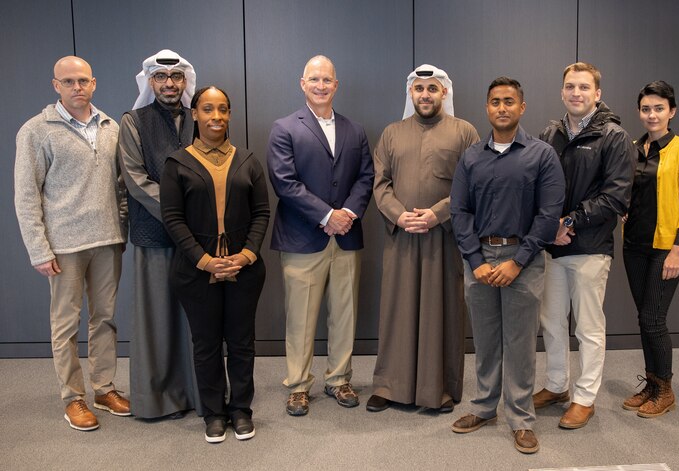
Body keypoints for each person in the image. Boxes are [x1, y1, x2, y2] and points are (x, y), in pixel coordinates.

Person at [14, 56, 130, 431]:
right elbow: (26, 195)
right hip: (64, 246)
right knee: (65, 325)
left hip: (108, 239)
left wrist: (123, 228)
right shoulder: (36, 130)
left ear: (94, 83)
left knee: (106, 320)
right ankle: (73, 398)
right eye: (68, 81)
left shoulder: (111, 127)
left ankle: (104, 389)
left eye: (83, 80)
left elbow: (121, 186)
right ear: (55, 85)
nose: (77, 87)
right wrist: (38, 248)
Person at [450, 77, 565, 454]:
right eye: (496, 101)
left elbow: (548, 216)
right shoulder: (471, 157)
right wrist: (475, 260)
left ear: (522, 107)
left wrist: (517, 262)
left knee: (519, 343)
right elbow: (459, 211)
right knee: (484, 341)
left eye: (509, 101)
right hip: (480, 261)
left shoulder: (541, 155)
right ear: (487, 108)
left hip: (524, 260)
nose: (502, 107)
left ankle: (520, 419)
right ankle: (484, 408)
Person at [368, 64, 479, 413]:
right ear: (410, 93)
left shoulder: (465, 132)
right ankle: (389, 385)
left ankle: (439, 389)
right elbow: (380, 183)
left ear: (444, 92)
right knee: (396, 311)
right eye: (419, 89)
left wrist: (438, 213)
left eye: (432, 89)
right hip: (402, 236)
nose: (425, 95)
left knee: (441, 310)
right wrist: (399, 215)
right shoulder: (391, 133)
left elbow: (474, 184)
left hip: (444, 238)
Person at [160, 86, 270, 442]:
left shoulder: (248, 160)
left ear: (229, 115)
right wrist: (206, 261)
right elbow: (173, 219)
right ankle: (213, 413)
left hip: (244, 270)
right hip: (195, 272)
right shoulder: (177, 163)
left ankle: (241, 409)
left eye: (223, 109)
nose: (216, 117)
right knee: (205, 344)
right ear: (194, 114)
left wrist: (247, 254)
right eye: (208, 109)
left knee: (241, 342)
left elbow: (262, 213)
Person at [268, 55, 374, 416]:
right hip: (303, 239)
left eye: (327, 79)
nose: (321, 85)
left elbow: (366, 177)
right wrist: (327, 215)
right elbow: (285, 183)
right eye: (314, 79)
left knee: (344, 313)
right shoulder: (285, 128)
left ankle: (339, 379)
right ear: (302, 83)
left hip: (345, 237)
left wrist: (347, 214)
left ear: (336, 84)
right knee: (301, 317)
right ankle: (298, 385)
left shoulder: (354, 130)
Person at [534, 62, 635, 429]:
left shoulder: (614, 136)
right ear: (562, 91)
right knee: (552, 322)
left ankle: (584, 397)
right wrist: (550, 227)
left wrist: (570, 221)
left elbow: (616, 197)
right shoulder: (549, 133)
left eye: (584, 87)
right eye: (570, 86)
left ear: (597, 93)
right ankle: (557, 385)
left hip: (590, 246)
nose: (576, 93)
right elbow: (537, 186)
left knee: (588, 327)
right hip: (553, 246)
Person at [118, 49, 200, 419]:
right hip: (156, 233)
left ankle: (198, 394)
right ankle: (156, 400)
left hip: (200, 237)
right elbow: (135, 181)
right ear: (150, 82)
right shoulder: (133, 122)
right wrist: (177, 214)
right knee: (157, 318)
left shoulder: (199, 118)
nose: (170, 84)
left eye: (177, 77)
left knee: (195, 317)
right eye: (161, 77)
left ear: (185, 81)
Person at [621, 81, 679, 418]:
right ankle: (652, 383)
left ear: (672, 111)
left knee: (654, 319)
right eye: (645, 108)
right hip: (633, 246)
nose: (651, 114)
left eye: (658, 108)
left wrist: (677, 250)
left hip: (664, 249)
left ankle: (665, 388)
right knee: (644, 318)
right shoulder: (633, 148)